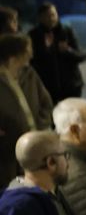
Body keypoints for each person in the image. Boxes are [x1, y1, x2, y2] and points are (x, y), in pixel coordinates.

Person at [0, 33, 54, 182]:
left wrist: (41, 125)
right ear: (15, 54)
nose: (31, 53)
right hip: (9, 152)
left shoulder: (29, 73)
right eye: (28, 49)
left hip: (37, 144)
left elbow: (46, 102)